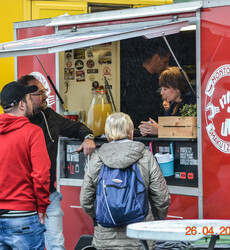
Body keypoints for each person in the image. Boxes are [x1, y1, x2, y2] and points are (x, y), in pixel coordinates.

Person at [18, 74, 96, 250]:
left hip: (49, 195)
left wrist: (88, 137)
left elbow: (75, 127)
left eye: (45, 91)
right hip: (24, 198)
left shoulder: (49, 115)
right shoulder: (16, 123)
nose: (46, 96)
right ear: (26, 98)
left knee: (56, 245)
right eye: (40, 93)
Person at [80, 112, 171, 250]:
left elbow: (85, 200)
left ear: (108, 135)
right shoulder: (146, 157)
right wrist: (156, 220)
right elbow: (162, 198)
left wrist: (102, 216)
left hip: (106, 238)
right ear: (131, 133)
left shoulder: (97, 159)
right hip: (140, 235)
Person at [0, 81, 51, 249]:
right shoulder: (33, 132)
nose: (31, 103)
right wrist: (42, 207)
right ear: (21, 105)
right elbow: (41, 175)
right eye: (29, 99)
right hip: (23, 216)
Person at [121, 39, 170, 128]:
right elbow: (139, 107)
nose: (167, 66)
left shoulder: (155, 78)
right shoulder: (136, 80)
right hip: (140, 129)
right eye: (165, 62)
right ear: (156, 58)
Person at [139, 67, 196, 136]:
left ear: (177, 87)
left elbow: (190, 132)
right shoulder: (171, 108)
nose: (161, 93)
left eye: (165, 89)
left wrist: (160, 130)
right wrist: (149, 130)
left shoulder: (193, 103)